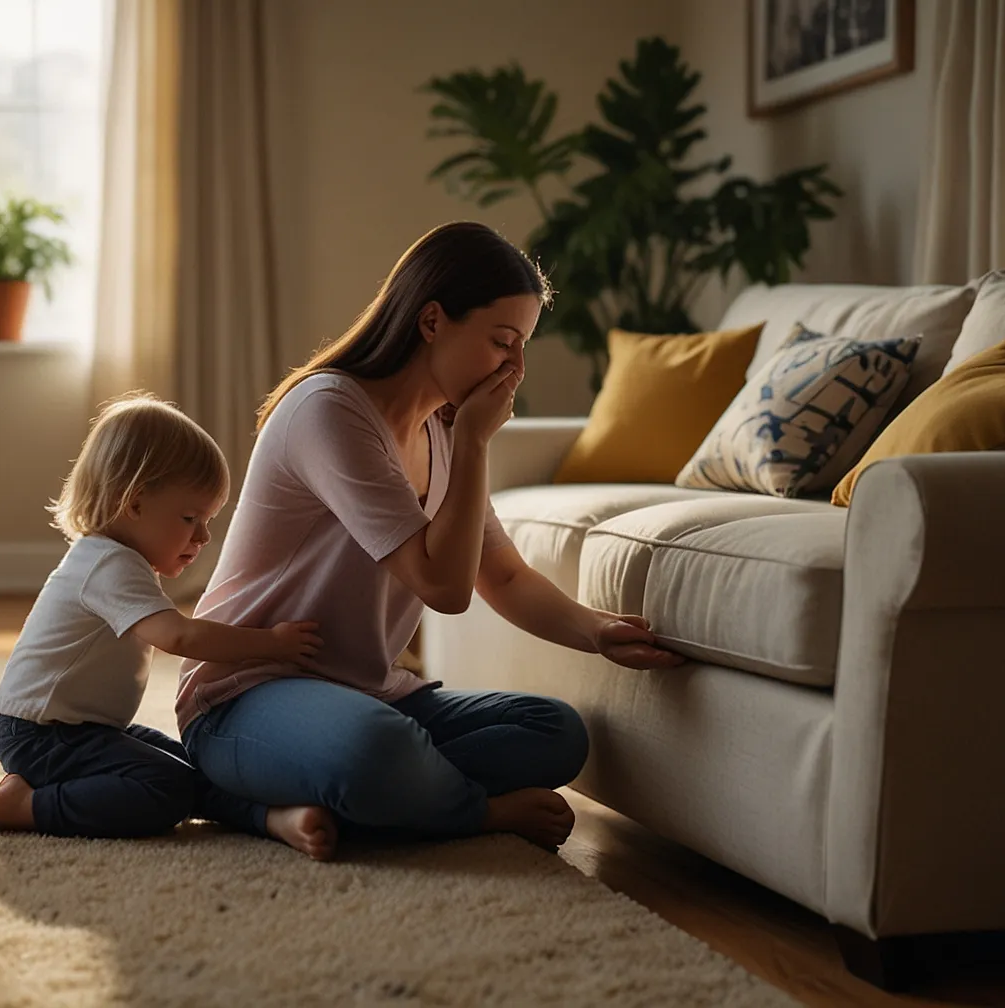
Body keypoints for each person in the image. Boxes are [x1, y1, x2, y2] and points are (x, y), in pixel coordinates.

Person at [177, 222, 684, 862]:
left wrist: (596, 631)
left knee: (555, 733)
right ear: (433, 321)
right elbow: (444, 587)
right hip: (247, 693)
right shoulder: (330, 410)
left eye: (522, 347)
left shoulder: (441, 431)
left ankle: (359, 797)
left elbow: (502, 576)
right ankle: (448, 809)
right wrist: (475, 443)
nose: (516, 369)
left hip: (368, 695)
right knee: (375, 748)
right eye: (502, 342)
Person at [0, 395, 327, 844]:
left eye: (208, 520)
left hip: (83, 728)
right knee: (165, 787)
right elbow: (179, 636)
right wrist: (271, 643)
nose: (203, 536)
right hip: (41, 735)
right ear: (133, 504)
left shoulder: (117, 559)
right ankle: (30, 806)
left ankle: (271, 820)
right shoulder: (108, 564)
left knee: (190, 766)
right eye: (190, 517)